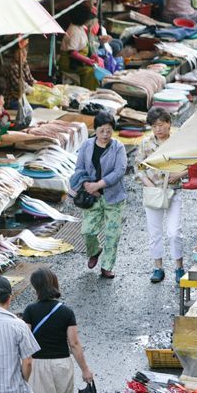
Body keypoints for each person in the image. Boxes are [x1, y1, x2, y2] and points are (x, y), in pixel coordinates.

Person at [23, 268, 94, 393]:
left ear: (36, 287)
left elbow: (26, 342)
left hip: (39, 364)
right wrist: (85, 370)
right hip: (63, 364)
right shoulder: (66, 311)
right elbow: (74, 344)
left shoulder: (30, 311)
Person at [70, 111, 128, 279]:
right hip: (92, 197)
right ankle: (95, 251)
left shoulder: (118, 147)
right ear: (95, 130)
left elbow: (119, 171)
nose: (105, 135)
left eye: (109, 131)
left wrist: (99, 185)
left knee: (112, 234)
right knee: (87, 231)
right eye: (101, 130)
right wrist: (87, 184)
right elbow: (79, 168)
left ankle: (107, 266)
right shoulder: (87, 146)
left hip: (113, 197)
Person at [135, 107, 188, 284]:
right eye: (154, 126)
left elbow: (190, 164)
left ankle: (179, 267)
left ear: (169, 124)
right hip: (153, 192)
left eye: (161, 124)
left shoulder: (179, 141)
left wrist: (179, 175)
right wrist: (148, 183)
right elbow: (139, 167)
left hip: (175, 190)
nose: (158, 129)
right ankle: (158, 267)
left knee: (174, 232)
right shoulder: (145, 144)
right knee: (154, 232)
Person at [58, 6, 107, 90]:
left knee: (96, 66)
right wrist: (87, 60)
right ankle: (89, 92)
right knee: (90, 71)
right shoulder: (74, 31)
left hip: (77, 61)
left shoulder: (80, 27)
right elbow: (72, 53)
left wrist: (91, 57)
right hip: (69, 63)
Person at [2, 39, 35, 109]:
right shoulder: (12, 66)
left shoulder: (24, 63)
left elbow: (31, 80)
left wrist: (44, 86)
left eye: (24, 51)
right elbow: (19, 87)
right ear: (14, 53)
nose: (23, 54)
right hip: (13, 100)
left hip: (25, 96)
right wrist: (32, 90)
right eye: (20, 52)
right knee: (40, 106)